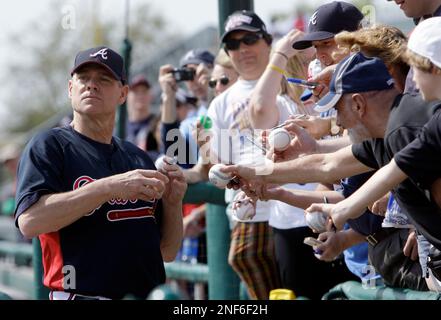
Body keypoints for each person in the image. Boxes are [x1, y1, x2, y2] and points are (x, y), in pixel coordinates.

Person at [224, 53, 437, 290]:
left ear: (358, 104)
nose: (336, 122)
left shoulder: (401, 129)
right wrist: (253, 173)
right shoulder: (385, 133)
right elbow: (326, 165)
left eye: (337, 109)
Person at [14, 46, 186, 300]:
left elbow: (167, 251)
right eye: (83, 78)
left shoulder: (136, 157)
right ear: (71, 88)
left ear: (123, 94)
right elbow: (30, 222)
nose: (91, 85)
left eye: (104, 79)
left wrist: (173, 203)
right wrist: (108, 188)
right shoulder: (50, 146)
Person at [306, 17, 441, 291]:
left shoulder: (406, 121)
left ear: (436, 69)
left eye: (416, 67)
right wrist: (342, 209)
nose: (411, 78)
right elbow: (396, 168)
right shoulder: (421, 119)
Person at [125, 74, 160, 160]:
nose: (140, 96)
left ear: (150, 96)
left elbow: (163, 155)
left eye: (144, 91)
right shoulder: (119, 126)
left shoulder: (157, 124)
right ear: (126, 95)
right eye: (136, 92)